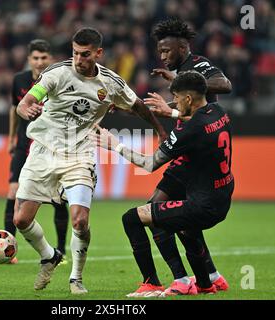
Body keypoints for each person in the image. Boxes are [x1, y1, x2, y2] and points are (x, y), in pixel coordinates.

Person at [14, 27, 167, 294]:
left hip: (80, 154)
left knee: (80, 221)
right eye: (75, 53)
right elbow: (26, 101)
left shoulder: (110, 82)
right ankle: (49, 255)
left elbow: (137, 106)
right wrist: (28, 109)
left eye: (85, 54)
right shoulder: (57, 73)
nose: (78, 59)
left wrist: (160, 131)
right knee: (21, 221)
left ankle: (76, 277)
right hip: (43, 150)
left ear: (98, 53)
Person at [93, 70, 234, 297]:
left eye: (176, 97)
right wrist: (168, 112)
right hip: (222, 197)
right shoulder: (218, 112)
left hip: (203, 206)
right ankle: (206, 284)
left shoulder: (189, 131)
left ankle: (152, 284)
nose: (174, 102)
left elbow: (150, 164)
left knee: (132, 218)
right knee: (185, 227)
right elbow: (193, 119)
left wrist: (115, 145)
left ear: (188, 99)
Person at [131, 18, 233, 295]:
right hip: (186, 153)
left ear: (183, 46)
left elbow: (224, 84)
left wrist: (180, 83)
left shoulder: (197, 65)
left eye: (167, 50)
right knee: (180, 222)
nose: (162, 56)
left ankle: (180, 279)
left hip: (194, 156)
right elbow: (183, 109)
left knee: (156, 213)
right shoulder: (184, 72)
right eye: (160, 51)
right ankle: (211, 276)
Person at [6, 39, 69, 264]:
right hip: (25, 143)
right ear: (29, 60)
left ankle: (60, 250)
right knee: (13, 192)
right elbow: (15, 108)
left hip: (52, 146)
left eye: (44, 58)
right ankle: (9, 247)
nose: (40, 62)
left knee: (59, 199)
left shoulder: (60, 80)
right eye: (36, 58)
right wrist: (12, 138)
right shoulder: (19, 80)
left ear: (50, 59)